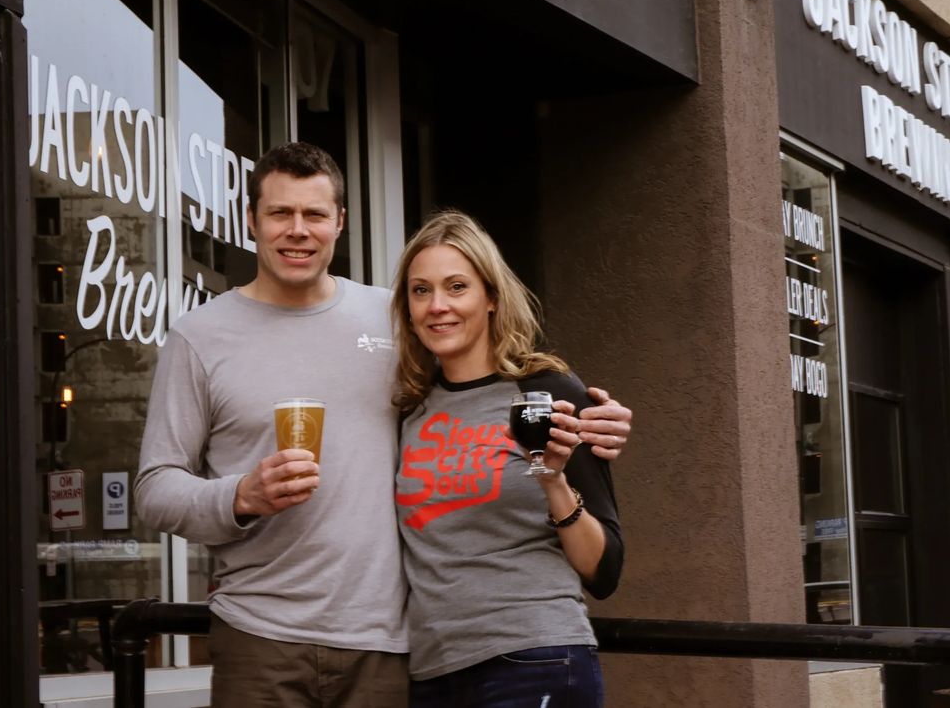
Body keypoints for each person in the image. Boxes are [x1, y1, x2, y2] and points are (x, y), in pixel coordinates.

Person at [135, 143, 632, 707]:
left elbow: (495, 376)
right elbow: (154, 489)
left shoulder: (397, 321)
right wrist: (240, 496)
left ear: (340, 223)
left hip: (391, 647)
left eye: (315, 214)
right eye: (280, 213)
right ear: (251, 220)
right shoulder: (199, 337)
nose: (298, 230)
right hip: (261, 634)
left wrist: (595, 419)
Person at [391, 210, 624, 707]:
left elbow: (605, 571)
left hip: (535, 656)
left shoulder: (547, 393)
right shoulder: (410, 411)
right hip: (433, 672)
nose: (438, 306)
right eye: (421, 290)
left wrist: (554, 481)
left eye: (457, 287)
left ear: (491, 297)